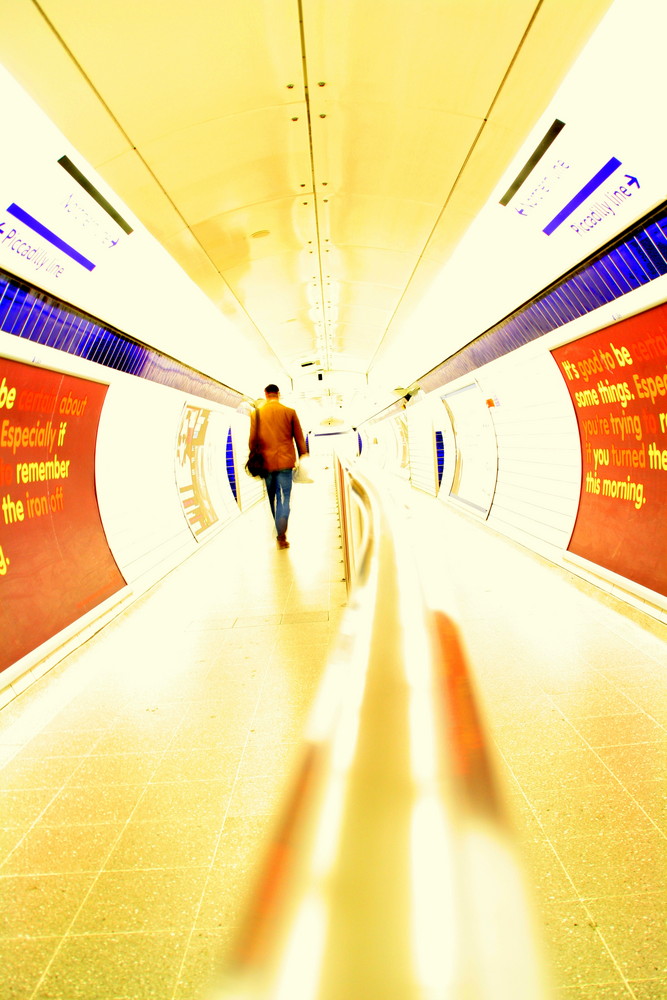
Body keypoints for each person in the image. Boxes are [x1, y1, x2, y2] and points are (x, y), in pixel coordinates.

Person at [249, 384, 308, 549]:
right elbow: (299, 436)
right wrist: (303, 454)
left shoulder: (256, 414)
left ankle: (279, 533)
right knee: (285, 499)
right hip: (285, 463)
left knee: (273, 498)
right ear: (278, 394)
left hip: (266, 464)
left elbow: (252, 440)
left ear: (266, 394)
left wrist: (254, 456)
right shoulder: (289, 412)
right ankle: (282, 535)